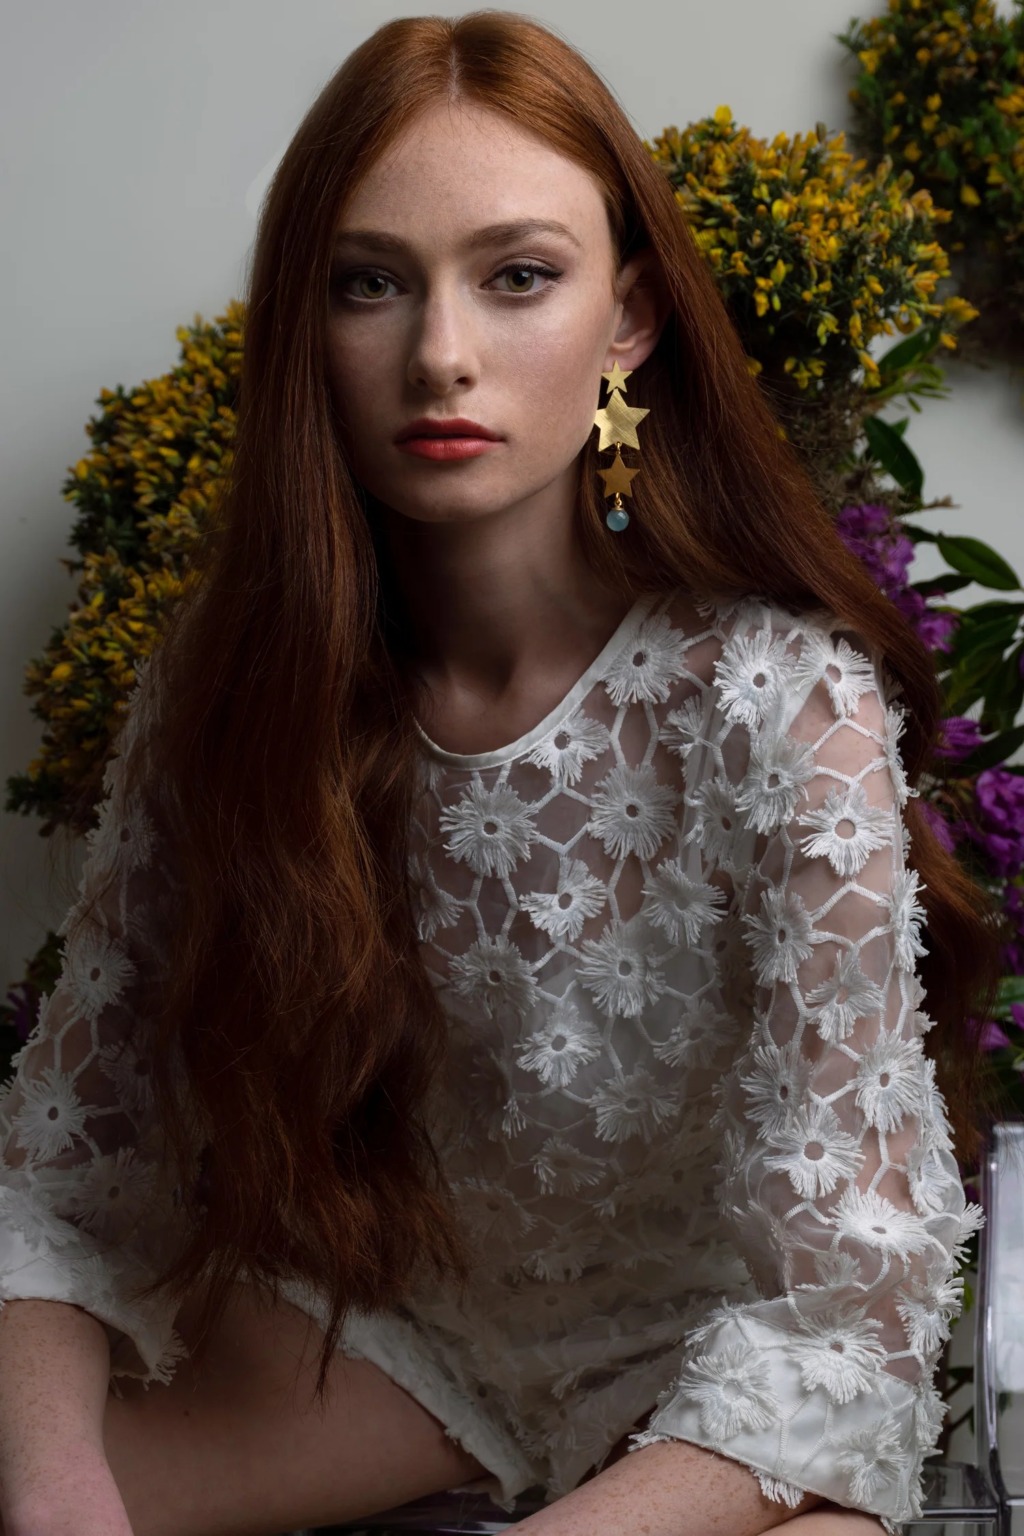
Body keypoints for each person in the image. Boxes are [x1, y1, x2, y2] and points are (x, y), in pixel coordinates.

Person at [0, 12, 998, 1536]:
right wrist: (64, 1502)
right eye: (369, 283)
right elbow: (68, 1181)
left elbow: (842, 1330)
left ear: (631, 321)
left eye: (517, 275)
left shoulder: (781, 708)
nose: (441, 354)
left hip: (719, 1412)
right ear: (306, 325)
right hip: (385, 1341)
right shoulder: (233, 674)